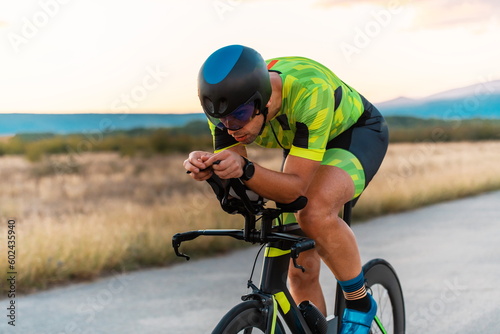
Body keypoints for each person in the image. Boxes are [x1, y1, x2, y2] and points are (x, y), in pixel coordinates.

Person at [184, 45, 389, 334]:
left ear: (263, 100)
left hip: (353, 134)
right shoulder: (225, 105)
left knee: (312, 211)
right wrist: (211, 171)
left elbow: (294, 190)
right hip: (301, 147)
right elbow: (240, 187)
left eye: (239, 116)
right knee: (300, 266)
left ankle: (359, 303)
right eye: (221, 120)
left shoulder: (309, 90)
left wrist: (244, 168)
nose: (230, 128)